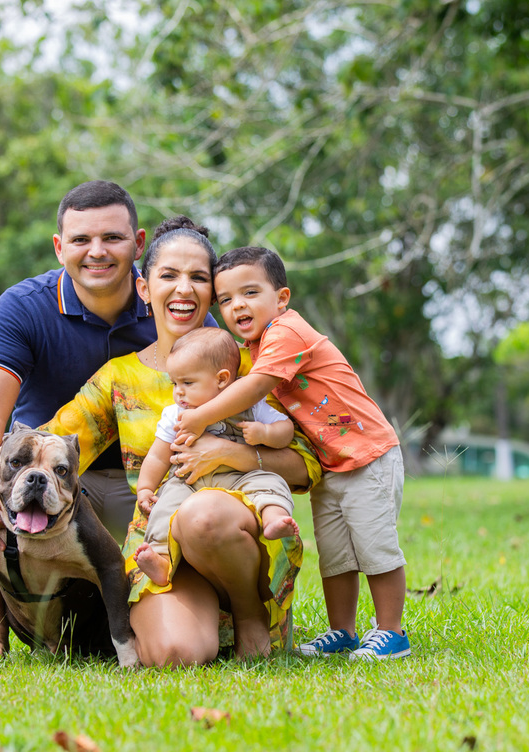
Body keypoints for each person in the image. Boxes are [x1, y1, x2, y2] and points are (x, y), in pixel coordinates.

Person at [30, 217, 322, 664]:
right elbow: (54, 441)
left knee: (203, 515)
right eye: (168, 276)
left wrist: (233, 453)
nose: (183, 289)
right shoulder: (121, 377)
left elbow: (308, 465)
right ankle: (196, 616)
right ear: (144, 289)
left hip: (236, 535)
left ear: (212, 293)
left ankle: (249, 614)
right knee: (173, 654)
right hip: (161, 540)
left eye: (198, 278)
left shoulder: (252, 370)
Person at [0, 180, 160, 659]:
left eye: (112, 237)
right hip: (51, 474)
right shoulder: (23, 306)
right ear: (60, 247)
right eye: (82, 239)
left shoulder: (171, 299)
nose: (97, 251)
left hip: (146, 479)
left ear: (138, 243)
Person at [175, 246, 410, 661]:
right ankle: (342, 631)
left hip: (367, 454)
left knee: (375, 547)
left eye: (250, 292)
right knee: (336, 555)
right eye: (225, 299)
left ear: (281, 298)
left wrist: (200, 417)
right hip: (332, 464)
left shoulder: (286, 332)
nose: (237, 305)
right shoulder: (253, 347)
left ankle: (392, 632)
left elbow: (254, 388)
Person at [133, 326, 300, 588]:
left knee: (270, 483)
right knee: (165, 505)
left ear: (222, 379)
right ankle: (161, 559)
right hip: (188, 481)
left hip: (241, 477)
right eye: (175, 383)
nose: (179, 392)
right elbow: (157, 456)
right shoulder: (174, 414)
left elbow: (286, 430)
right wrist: (145, 488)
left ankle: (274, 518)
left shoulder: (249, 405)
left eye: (187, 383)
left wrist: (265, 433)